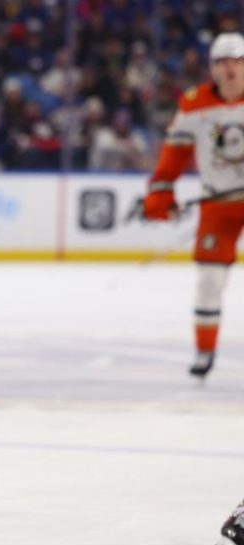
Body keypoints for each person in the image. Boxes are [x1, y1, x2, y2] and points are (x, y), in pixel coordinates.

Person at [142, 32, 244, 379]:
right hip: (218, 201)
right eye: (221, 62)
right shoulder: (194, 104)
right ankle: (204, 350)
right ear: (212, 68)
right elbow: (174, 153)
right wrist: (160, 191)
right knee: (209, 279)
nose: (229, 69)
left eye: (236, 61)